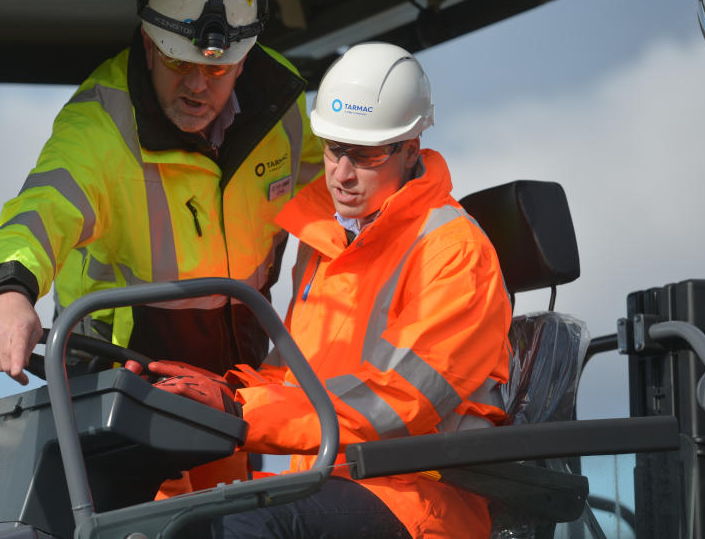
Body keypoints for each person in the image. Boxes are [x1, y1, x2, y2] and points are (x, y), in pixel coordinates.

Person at [0, 0, 323, 487]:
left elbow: (346, 195)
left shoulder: (283, 105)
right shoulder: (99, 127)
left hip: (235, 388)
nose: (199, 86)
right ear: (150, 43)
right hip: (123, 389)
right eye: (180, 62)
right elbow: (39, 213)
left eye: (219, 68)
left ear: (244, 59)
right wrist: (8, 293)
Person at [148, 42, 513, 538]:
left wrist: (240, 412)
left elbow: (399, 401)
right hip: (332, 478)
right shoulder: (327, 243)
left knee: (244, 527)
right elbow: (294, 377)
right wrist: (211, 397)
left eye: (363, 155)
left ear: (410, 150)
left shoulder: (454, 253)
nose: (341, 173)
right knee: (166, 507)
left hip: (421, 495)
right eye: (334, 149)